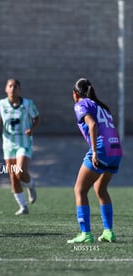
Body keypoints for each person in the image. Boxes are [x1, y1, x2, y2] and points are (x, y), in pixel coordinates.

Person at [67, 78, 123, 243]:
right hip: (116, 150)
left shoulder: (81, 104)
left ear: (75, 94)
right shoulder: (102, 106)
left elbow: (92, 125)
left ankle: (85, 233)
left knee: (80, 190)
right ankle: (108, 232)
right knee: (100, 189)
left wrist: (95, 153)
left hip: (101, 149)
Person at [0, 79, 40, 215]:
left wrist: (32, 129)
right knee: (13, 176)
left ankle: (30, 185)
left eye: (15, 86)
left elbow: (37, 118)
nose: (12, 88)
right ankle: (23, 206)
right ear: (5, 89)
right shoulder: (0, 105)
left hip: (24, 143)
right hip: (8, 145)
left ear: (19, 89)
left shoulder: (28, 104)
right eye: (10, 86)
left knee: (20, 172)